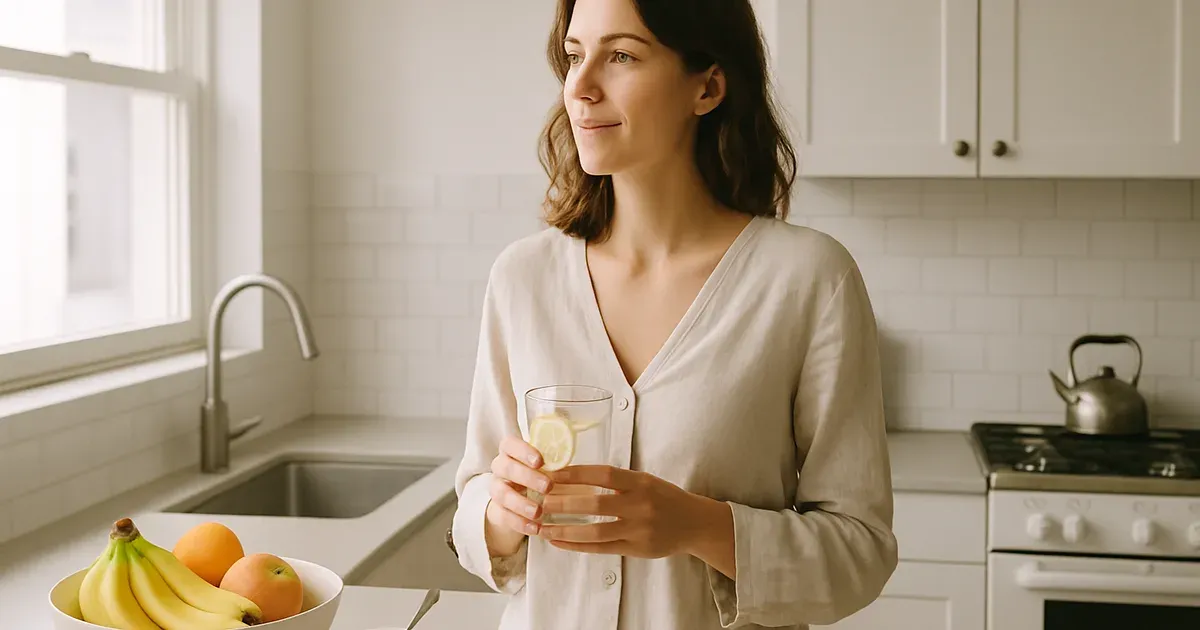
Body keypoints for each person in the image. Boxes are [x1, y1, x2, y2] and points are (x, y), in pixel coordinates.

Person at [450, 0, 898, 627]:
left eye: (622, 55)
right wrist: (500, 513)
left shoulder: (808, 280)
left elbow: (861, 553)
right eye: (575, 56)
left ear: (708, 86)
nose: (578, 87)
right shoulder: (522, 278)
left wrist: (698, 525)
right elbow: (474, 507)